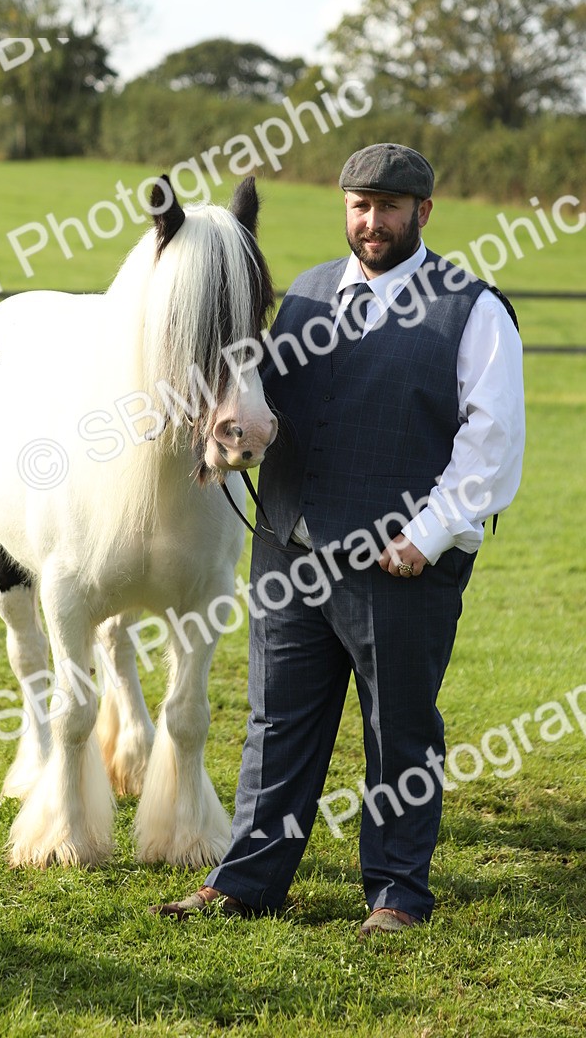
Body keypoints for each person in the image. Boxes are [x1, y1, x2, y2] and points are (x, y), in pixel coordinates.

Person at [150, 143, 525, 937]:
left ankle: (396, 895)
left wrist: (426, 535)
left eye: (390, 207)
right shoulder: (308, 294)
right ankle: (248, 881)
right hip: (289, 550)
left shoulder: (472, 308)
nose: (372, 221)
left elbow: (492, 445)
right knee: (276, 722)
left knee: (399, 731)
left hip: (400, 565)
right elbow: (260, 400)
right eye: (360, 205)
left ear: (424, 213)